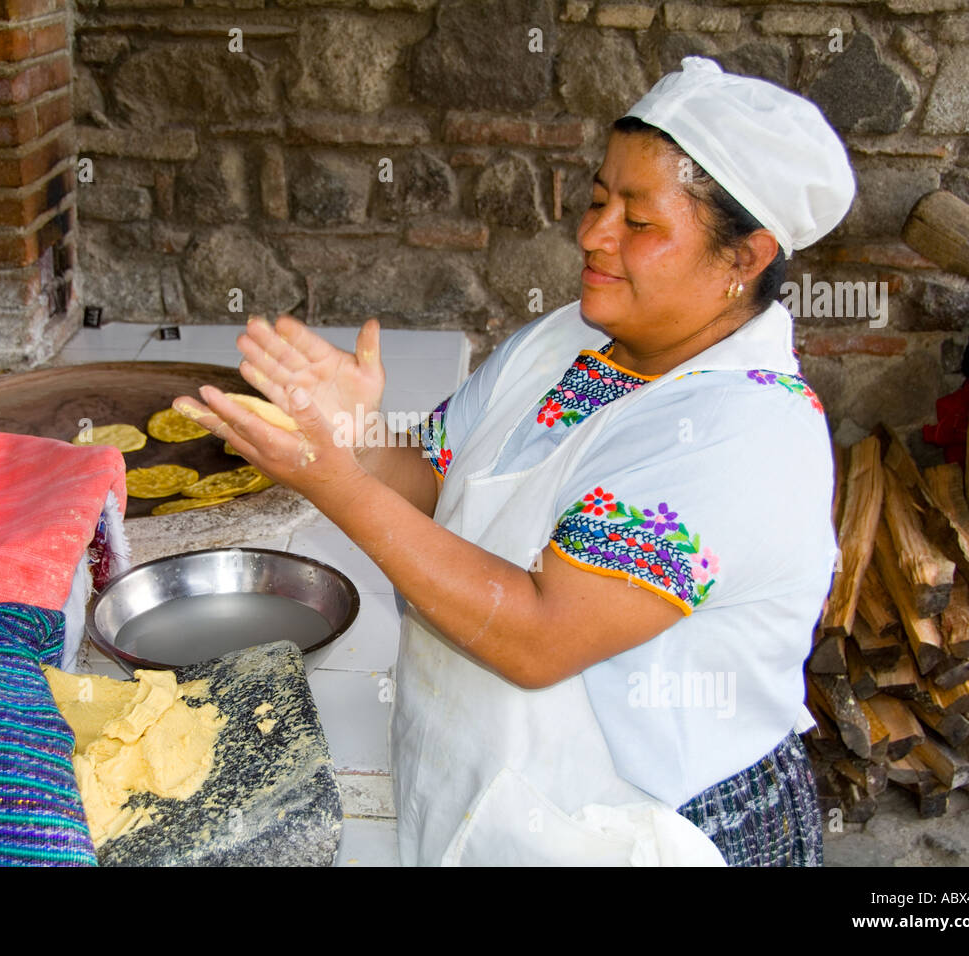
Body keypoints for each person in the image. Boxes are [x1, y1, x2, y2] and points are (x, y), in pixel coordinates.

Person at [174, 57, 855, 866]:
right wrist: (354, 434)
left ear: (745, 257)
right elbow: (435, 485)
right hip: (491, 789)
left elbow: (537, 635)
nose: (593, 235)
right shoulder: (566, 339)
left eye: (639, 223)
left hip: (651, 825)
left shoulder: (744, 433)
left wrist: (333, 480)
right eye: (600, 198)